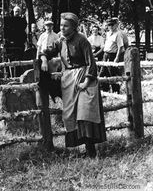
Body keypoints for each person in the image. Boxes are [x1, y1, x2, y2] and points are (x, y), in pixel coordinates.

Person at [40, 12, 106, 158]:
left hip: (84, 78)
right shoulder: (61, 40)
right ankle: (80, 149)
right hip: (68, 79)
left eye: (66, 26)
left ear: (74, 27)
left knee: (85, 112)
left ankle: (91, 151)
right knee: (70, 114)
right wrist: (44, 60)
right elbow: (47, 52)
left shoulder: (82, 40)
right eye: (61, 25)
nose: (62, 28)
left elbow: (91, 63)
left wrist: (86, 82)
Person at [99, 17, 124, 93]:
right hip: (106, 54)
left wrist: (117, 57)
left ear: (116, 25)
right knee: (103, 72)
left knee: (112, 73)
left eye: (112, 25)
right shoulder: (108, 33)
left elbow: (120, 47)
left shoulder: (118, 34)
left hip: (112, 55)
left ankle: (116, 91)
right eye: (109, 25)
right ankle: (105, 90)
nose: (111, 27)